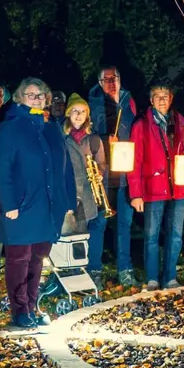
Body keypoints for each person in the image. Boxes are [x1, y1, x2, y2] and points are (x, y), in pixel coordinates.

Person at [0, 77, 75, 329]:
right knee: (19, 257)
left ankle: (31, 305)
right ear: (19, 98)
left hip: (47, 205)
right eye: (30, 95)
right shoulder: (11, 128)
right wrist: (10, 204)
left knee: (38, 257)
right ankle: (20, 310)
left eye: (40, 95)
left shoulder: (50, 127)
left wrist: (67, 199)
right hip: (22, 205)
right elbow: (1, 168)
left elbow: (65, 166)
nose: (36, 99)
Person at [128, 84, 184, 290]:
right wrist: (136, 194)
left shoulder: (182, 124)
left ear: (171, 98)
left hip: (178, 188)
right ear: (151, 100)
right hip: (153, 187)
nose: (161, 100)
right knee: (151, 234)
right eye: (157, 96)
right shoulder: (141, 125)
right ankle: (152, 277)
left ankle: (170, 276)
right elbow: (135, 161)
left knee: (175, 234)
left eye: (165, 96)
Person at [88, 65, 139, 285]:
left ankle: (125, 270)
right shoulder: (92, 104)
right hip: (104, 175)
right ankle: (94, 270)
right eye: (105, 79)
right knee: (98, 223)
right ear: (99, 82)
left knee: (125, 224)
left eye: (114, 77)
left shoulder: (129, 102)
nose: (111, 81)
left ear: (120, 79)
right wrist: (105, 138)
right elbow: (87, 135)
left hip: (125, 174)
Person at [60, 93, 107, 279]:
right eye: (75, 111)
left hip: (88, 196)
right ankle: (70, 272)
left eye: (82, 112)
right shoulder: (61, 138)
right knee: (69, 234)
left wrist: (99, 174)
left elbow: (101, 163)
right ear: (68, 114)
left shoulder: (93, 140)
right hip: (68, 195)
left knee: (86, 235)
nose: (78, 115)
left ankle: (89, 270)